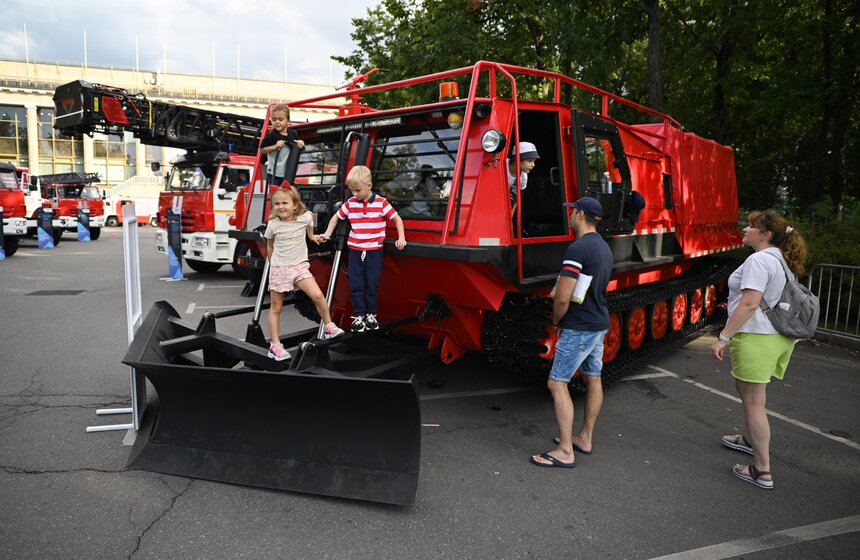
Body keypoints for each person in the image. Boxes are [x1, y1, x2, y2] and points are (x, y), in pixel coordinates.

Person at [710, 210, 808, 490]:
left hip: (757, 336)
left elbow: (750, 303)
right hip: (774, 338)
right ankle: (751, 441)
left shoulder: (759, 260)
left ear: (765, 235)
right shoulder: (780, 259)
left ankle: (762, 470)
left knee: (754, 403)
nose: (746, 228)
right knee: (751, 395)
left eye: (751, 226)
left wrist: (723, 337)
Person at [530, 197, 613, 468]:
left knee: (557, 383)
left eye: (572, 211)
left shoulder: (578, 249)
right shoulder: (603, 246)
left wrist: (556, 320)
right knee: (593, 378)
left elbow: (563, 296)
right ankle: (584, 437)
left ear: (579, 214)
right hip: (598, 322)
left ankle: (565, 451)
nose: (569, 215)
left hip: (579, 326)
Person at [320, 165, 407, 333]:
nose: (354, 194)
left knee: (372, 284)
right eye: (352, 190)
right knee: (356, 284)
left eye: (357, 190)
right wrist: (328, 233)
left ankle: (371, 315)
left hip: (374, 250)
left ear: (369, 185)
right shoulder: (350, 203)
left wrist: (401, 238)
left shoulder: (381, 203)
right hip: (356, 250)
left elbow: (397, 219)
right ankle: (359, 316)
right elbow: (336, 217)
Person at [264, 184, 344, 361]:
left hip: (299, 267)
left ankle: (329, 325)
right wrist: (273, 263)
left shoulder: (305, 218)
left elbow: (310, 233)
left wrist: (313, 237)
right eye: (276, 204)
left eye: (284, 202)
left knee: (317, 295)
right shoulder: (273, 224)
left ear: (295, 204)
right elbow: (269, 245)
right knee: (276, 307)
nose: (280, 207)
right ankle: (275, 346)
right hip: (280, 269)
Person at [259, 104, 305, 186]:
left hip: (288, 172)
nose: (277, 122)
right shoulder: (271, 135)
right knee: (275, 195)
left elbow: (299, 148)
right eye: (273, 119)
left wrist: (301, 143)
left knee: (286, 194)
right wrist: (275, 146)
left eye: (280, 119)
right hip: (274, 173)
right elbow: (261, 150)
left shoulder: (293, 134)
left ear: (288, 120)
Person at [508, 141, 539, 216]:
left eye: (534, 161)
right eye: (530, 161)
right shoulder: (501, 167)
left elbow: (516, 199)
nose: (533, 165)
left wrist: (510, 216)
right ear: (517, 159)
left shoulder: (523, 177)